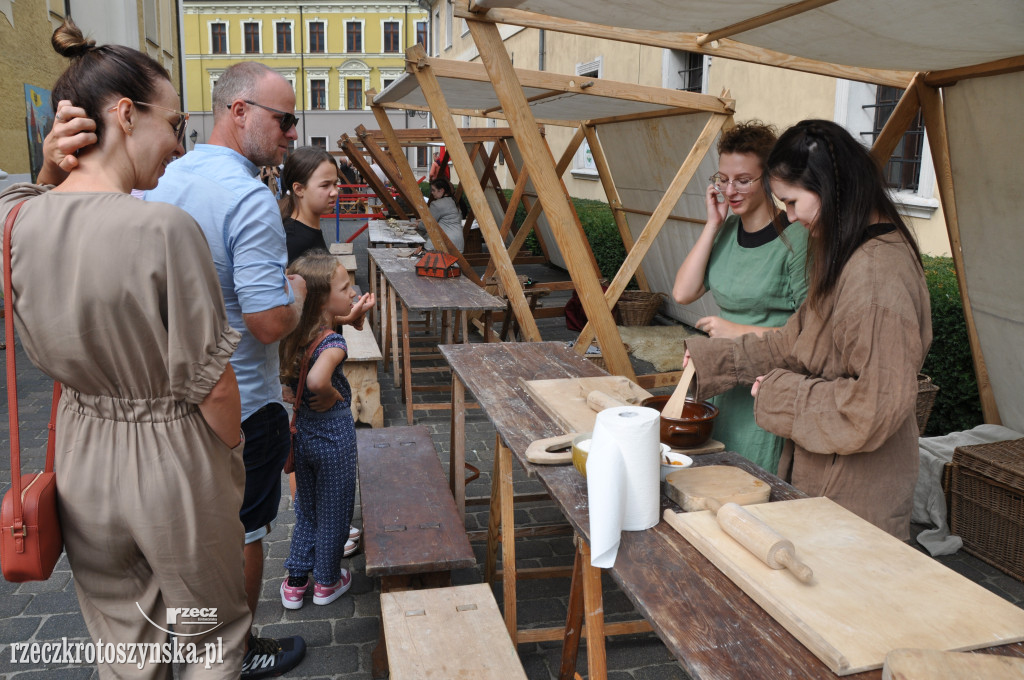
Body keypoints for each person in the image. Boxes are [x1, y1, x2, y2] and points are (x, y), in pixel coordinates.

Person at [43, 61, 311, 677]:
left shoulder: (141, 181)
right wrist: (299, 292)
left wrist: (53, 165)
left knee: (133, 611)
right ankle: (239, 655)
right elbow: (263, 327)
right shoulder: (235, 198)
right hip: (218, 410)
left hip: (105, 422)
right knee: (230, 571)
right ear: (239, 112)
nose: (292, 133)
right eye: (285, 118)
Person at [2, 19, 250, 676]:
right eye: (173, 123)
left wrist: (53, 164)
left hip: (82, 457)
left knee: (121, 638)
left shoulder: (16, 222)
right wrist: (231, 456)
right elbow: (213, 383)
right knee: (209, 633)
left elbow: (25, 195)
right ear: (123, 113)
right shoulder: (164, 227)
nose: (177, 143)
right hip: (173, 459)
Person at [684, 119, 932, 540]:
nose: (792, 218)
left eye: (794, 202)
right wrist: (715, 359)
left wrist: (783, 394)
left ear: (831, 187)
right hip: (827, 472)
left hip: (857, 493)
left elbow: (873, 406)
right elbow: (795, 341)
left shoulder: (875, 275)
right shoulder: (847, 254)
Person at [672, 122, 808, 474]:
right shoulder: (727, 230)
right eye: (722, 178)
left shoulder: (796, 239)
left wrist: (735, 330)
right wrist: (712, 225)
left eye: (743, 180)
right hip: (723, 379)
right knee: (710, 478)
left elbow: (812, 333)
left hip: (764, 384)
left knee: (749, 483)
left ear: (769, 180)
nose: (730, 190)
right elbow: (683, 293)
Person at [277, 251, 361, 610]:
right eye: (345, 288)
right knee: (335, 511)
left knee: (308, 510)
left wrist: (351, 317)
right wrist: (328, 394)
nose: (354, 291)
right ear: (324, 300)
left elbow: (288, 385)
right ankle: (327, 581)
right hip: (334, 439)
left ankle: (296, 582)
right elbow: (316, 379)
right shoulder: (333, 344)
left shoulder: (292, 335)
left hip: (304, 436)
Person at [417, 177, 465, 252]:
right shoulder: (453, 201)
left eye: (433, 190)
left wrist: (418, 225)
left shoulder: (437, 204)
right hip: (458, 242)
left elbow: (427, 224)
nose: (432, 193)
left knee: (422, 254)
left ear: (441, 190)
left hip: (445, 242)